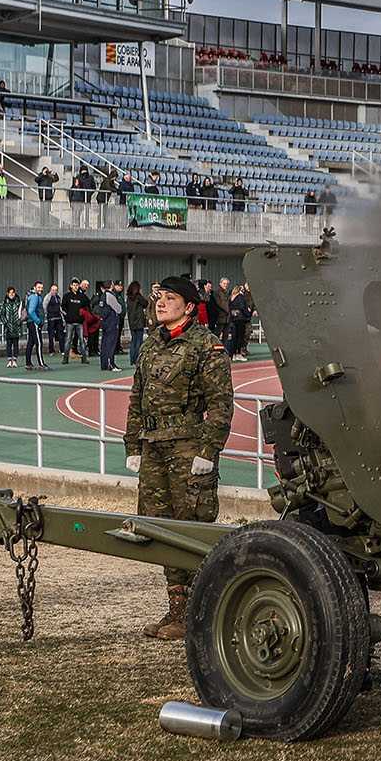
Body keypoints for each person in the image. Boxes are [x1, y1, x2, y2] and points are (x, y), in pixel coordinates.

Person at [123, 274, 235, 641]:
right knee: (161, 527)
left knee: (192, 525)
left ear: (188, 307)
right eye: (159, 296)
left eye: (169, 298)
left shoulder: (206, 345)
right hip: (153, 446)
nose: (160, 302)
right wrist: (132, 445)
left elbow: (220, 404)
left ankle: (204, 608)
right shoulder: (152, 343)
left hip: (188, 446)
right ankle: (178, 611)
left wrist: (209, 450)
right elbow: (136, 398)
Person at [23, 282, 50, 370]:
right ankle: (41, 364)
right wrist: (38, 321)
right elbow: (31, 311)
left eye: (42, 287)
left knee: (30, 343)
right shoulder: (34, 297)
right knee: (38, 343)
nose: (41, 289)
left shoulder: (32, 295)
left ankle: (28, 363)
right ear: (34, 287)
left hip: (31, 323)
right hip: (34, 323)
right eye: (39, 287)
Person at [99, 281, 123, 372]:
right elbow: (118, 309)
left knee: (105, 344)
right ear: (111, 286)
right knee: (111, 344)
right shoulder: (110, 296)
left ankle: (104, 364)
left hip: (105, 322)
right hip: (111, 322)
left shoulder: (102, 296)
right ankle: (110, 364)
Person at [227, 281, 253, 361]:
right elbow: (242, 307)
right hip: (240, 319)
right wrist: (248, 314)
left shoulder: (231, 298)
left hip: (233, 319)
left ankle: (234, 355)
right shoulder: (240, 297)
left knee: (234, 337)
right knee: (240, 337)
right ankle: (238, 354)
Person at [125, 280, 149, 365]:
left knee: (133, 341)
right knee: (139, 341)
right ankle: (137, 359)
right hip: (138, 321)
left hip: (132, 322)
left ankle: (132, 359)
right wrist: (141, 294)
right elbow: (145, 303)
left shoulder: (128, 298)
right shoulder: (138, 297)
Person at [1, 287, 23, 368]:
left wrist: (19, 321)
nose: (12, 294)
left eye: (13, 293)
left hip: (16, 326)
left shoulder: (18, 302)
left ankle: (15, 360)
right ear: (7, 293)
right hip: (8, 327)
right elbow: (1, 314)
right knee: (9, 344)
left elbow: (22, 312)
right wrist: (5, 322)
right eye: (10, 293)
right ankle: (9, 360)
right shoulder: (4, 303)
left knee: (16, 344)